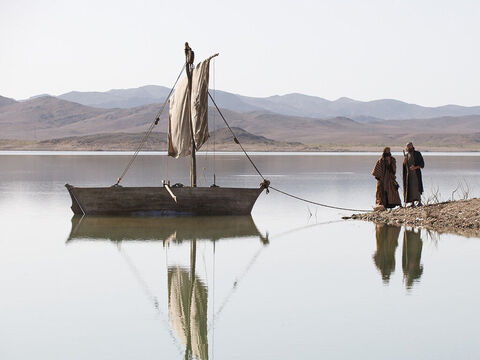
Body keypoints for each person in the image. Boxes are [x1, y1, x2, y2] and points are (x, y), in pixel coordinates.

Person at [402, 142, 425, 207]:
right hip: (409, 175)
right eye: (408, 147)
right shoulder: (406, 155)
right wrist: (404, 162)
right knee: (410, 187)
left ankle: (419, 202)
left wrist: (415, 167)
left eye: (410, 146)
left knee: (417, 187)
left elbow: (422, 164)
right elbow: (405, 165)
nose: (409, 148)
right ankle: (412, 203)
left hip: (416, 174)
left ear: (412, 146)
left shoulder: (417, 154)